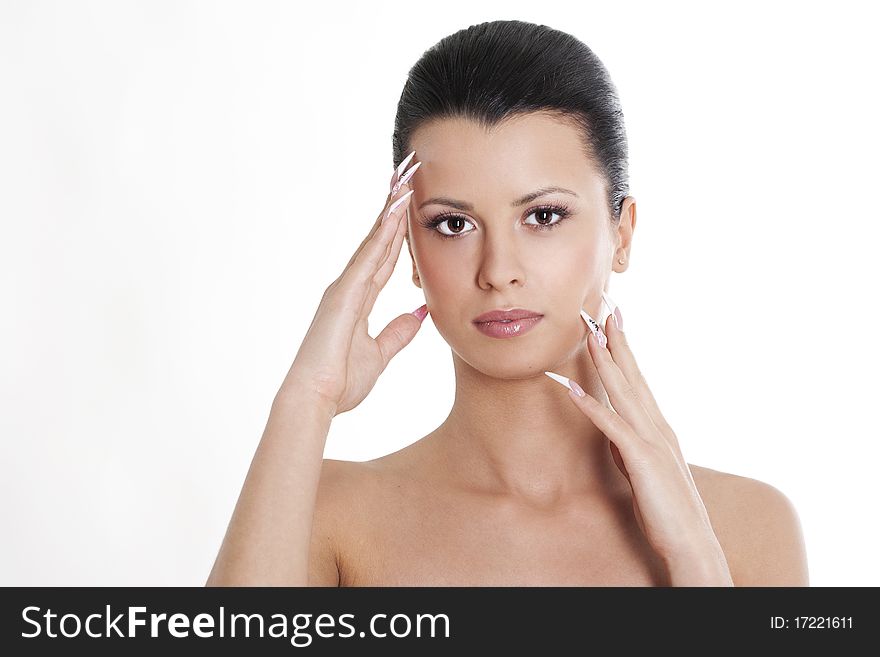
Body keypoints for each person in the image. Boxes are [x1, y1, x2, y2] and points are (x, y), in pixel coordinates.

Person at [206, 19, 809, 587]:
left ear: (621, 234)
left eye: (543, 216)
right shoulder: (328, 515)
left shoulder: (748, 526)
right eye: (451, 225)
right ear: (409, 250)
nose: (498, 272)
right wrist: (305, 400)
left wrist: (695, 556)